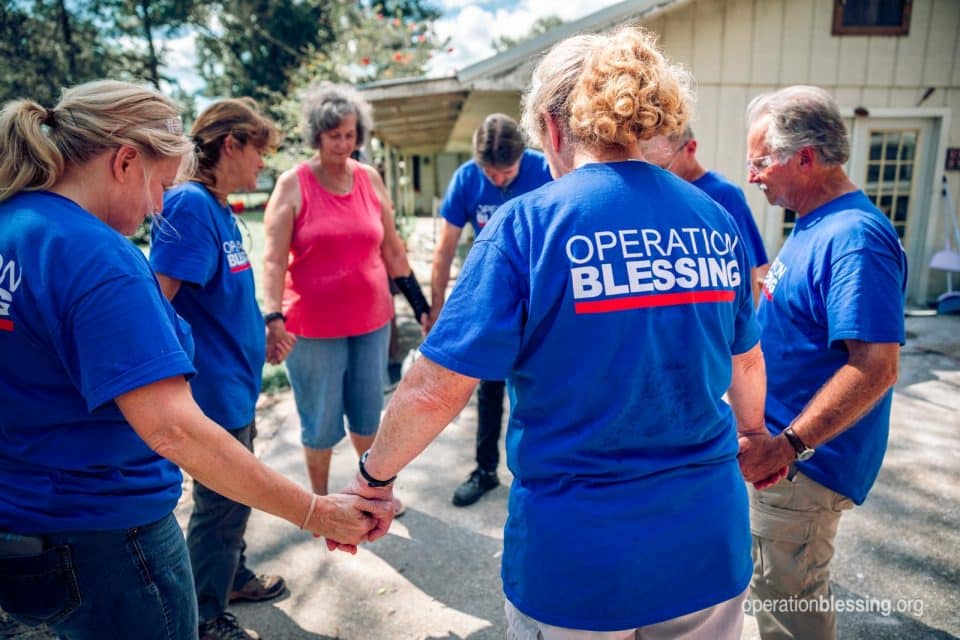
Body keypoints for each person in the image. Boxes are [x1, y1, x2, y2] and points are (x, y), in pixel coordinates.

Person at [338, 27, 783, 639]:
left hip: (579, 562)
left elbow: (433, 389)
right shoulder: (714, 219)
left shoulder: (529, 226)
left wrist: (372, 480)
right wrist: (755, 434)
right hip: (706, 542)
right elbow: (748, 363)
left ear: (552, 127)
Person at [0, 80, 392, 640]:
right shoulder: (96, 256)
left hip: (24, 524)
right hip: (109, 535)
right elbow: (173, 430)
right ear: (125, 160)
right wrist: (313, 511)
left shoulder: (13, 225)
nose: (160, 206)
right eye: (160, 185)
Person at [736, 85, 906, 640]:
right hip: (783, 460)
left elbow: (876, 367)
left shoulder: (855, 237)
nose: (753, 176)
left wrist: (786, 447)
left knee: (788, 609)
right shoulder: (814, 221)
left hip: (800, 469)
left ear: (805, 158)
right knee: (771, 594)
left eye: (761, 161)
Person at [149, 98, 284, 640]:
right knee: (221, 506)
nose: (262, 165)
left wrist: (264, 331)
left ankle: (229, 576)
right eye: (258, 153)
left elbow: (224, 295)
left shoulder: (220, 208)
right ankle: (203, 615)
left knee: (233, 502)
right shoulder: (189, 206)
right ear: (231, 145)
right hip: (210, 392)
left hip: (236, 384)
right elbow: (158, 302)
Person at [262, 83, 429, 508]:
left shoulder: (369, 179)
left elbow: (392, 249)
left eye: (351, 135)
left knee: (368, 412)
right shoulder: (292, 184)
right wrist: (272, 316)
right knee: (320, 421)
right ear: (317, 136)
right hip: (313, 327)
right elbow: (274, 260)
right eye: (335, 135)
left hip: (371, 321)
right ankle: (320, 503)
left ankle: (372, 492)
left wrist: (421, 307)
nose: (344, 143)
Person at [427, 113, 552, 507]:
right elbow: (445, 249)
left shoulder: (545, 169)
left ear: (521, 158)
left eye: (507, 172)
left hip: (542, 297)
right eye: (491, 174)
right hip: (494, 299)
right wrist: (435, 311)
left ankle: (546, 471)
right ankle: (485, 470)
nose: (499, 181)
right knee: (489, 388)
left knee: (544, 387)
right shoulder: (467, 178)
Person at [642, 125, 770, 303]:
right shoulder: (656, 194)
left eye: (664, 168)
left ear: (691, 148)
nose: (658, 177)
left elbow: (749, 267)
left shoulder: (724, 195)